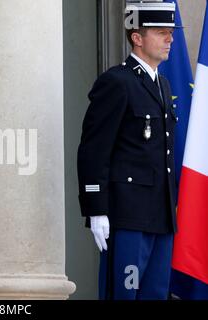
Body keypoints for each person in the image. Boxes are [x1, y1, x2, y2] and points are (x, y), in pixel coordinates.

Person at [77, 0, 179, 300]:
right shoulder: (116, 82)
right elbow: (94, 150)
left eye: (170, 33)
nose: (170, 39)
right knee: (124, 293)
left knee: (155, 294)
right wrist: (97, 209)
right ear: (137, 37)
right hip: (127, 215)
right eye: (162, 32)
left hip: (160, 215)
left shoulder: (163, 84)